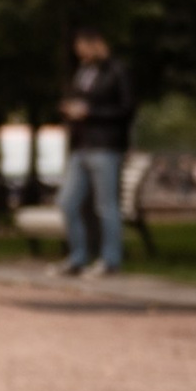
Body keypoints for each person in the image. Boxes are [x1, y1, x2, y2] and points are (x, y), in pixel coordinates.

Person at [57, 28, 136, 274]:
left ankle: (110, 260)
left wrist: (90, 113)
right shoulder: (83, 71)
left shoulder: (117, 71)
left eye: (84, 47)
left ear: (97, 44)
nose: (81, 53)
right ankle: (78, 258)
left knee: (106, 205)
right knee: (67, 203)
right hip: (81, 146)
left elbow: (127, 109)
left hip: (106, 146)